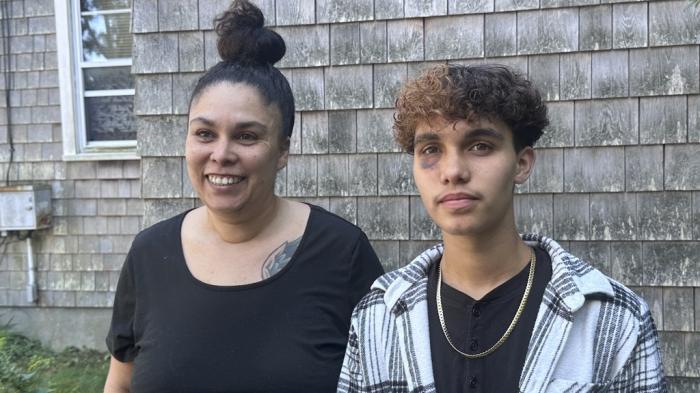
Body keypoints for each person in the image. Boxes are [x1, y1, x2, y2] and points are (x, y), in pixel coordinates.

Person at [103, 1, 383, 392]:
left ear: (282, 151)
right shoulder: (150, 254)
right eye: (204, 133)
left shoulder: (342, 253)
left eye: (247, 136)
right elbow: (121, 384)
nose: (221, 154)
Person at [338, 64, 666, 392]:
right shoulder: (376, 318)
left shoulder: (616, 320)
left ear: (521, 164)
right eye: (431, 149)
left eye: (479, 145)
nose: (452, 171)